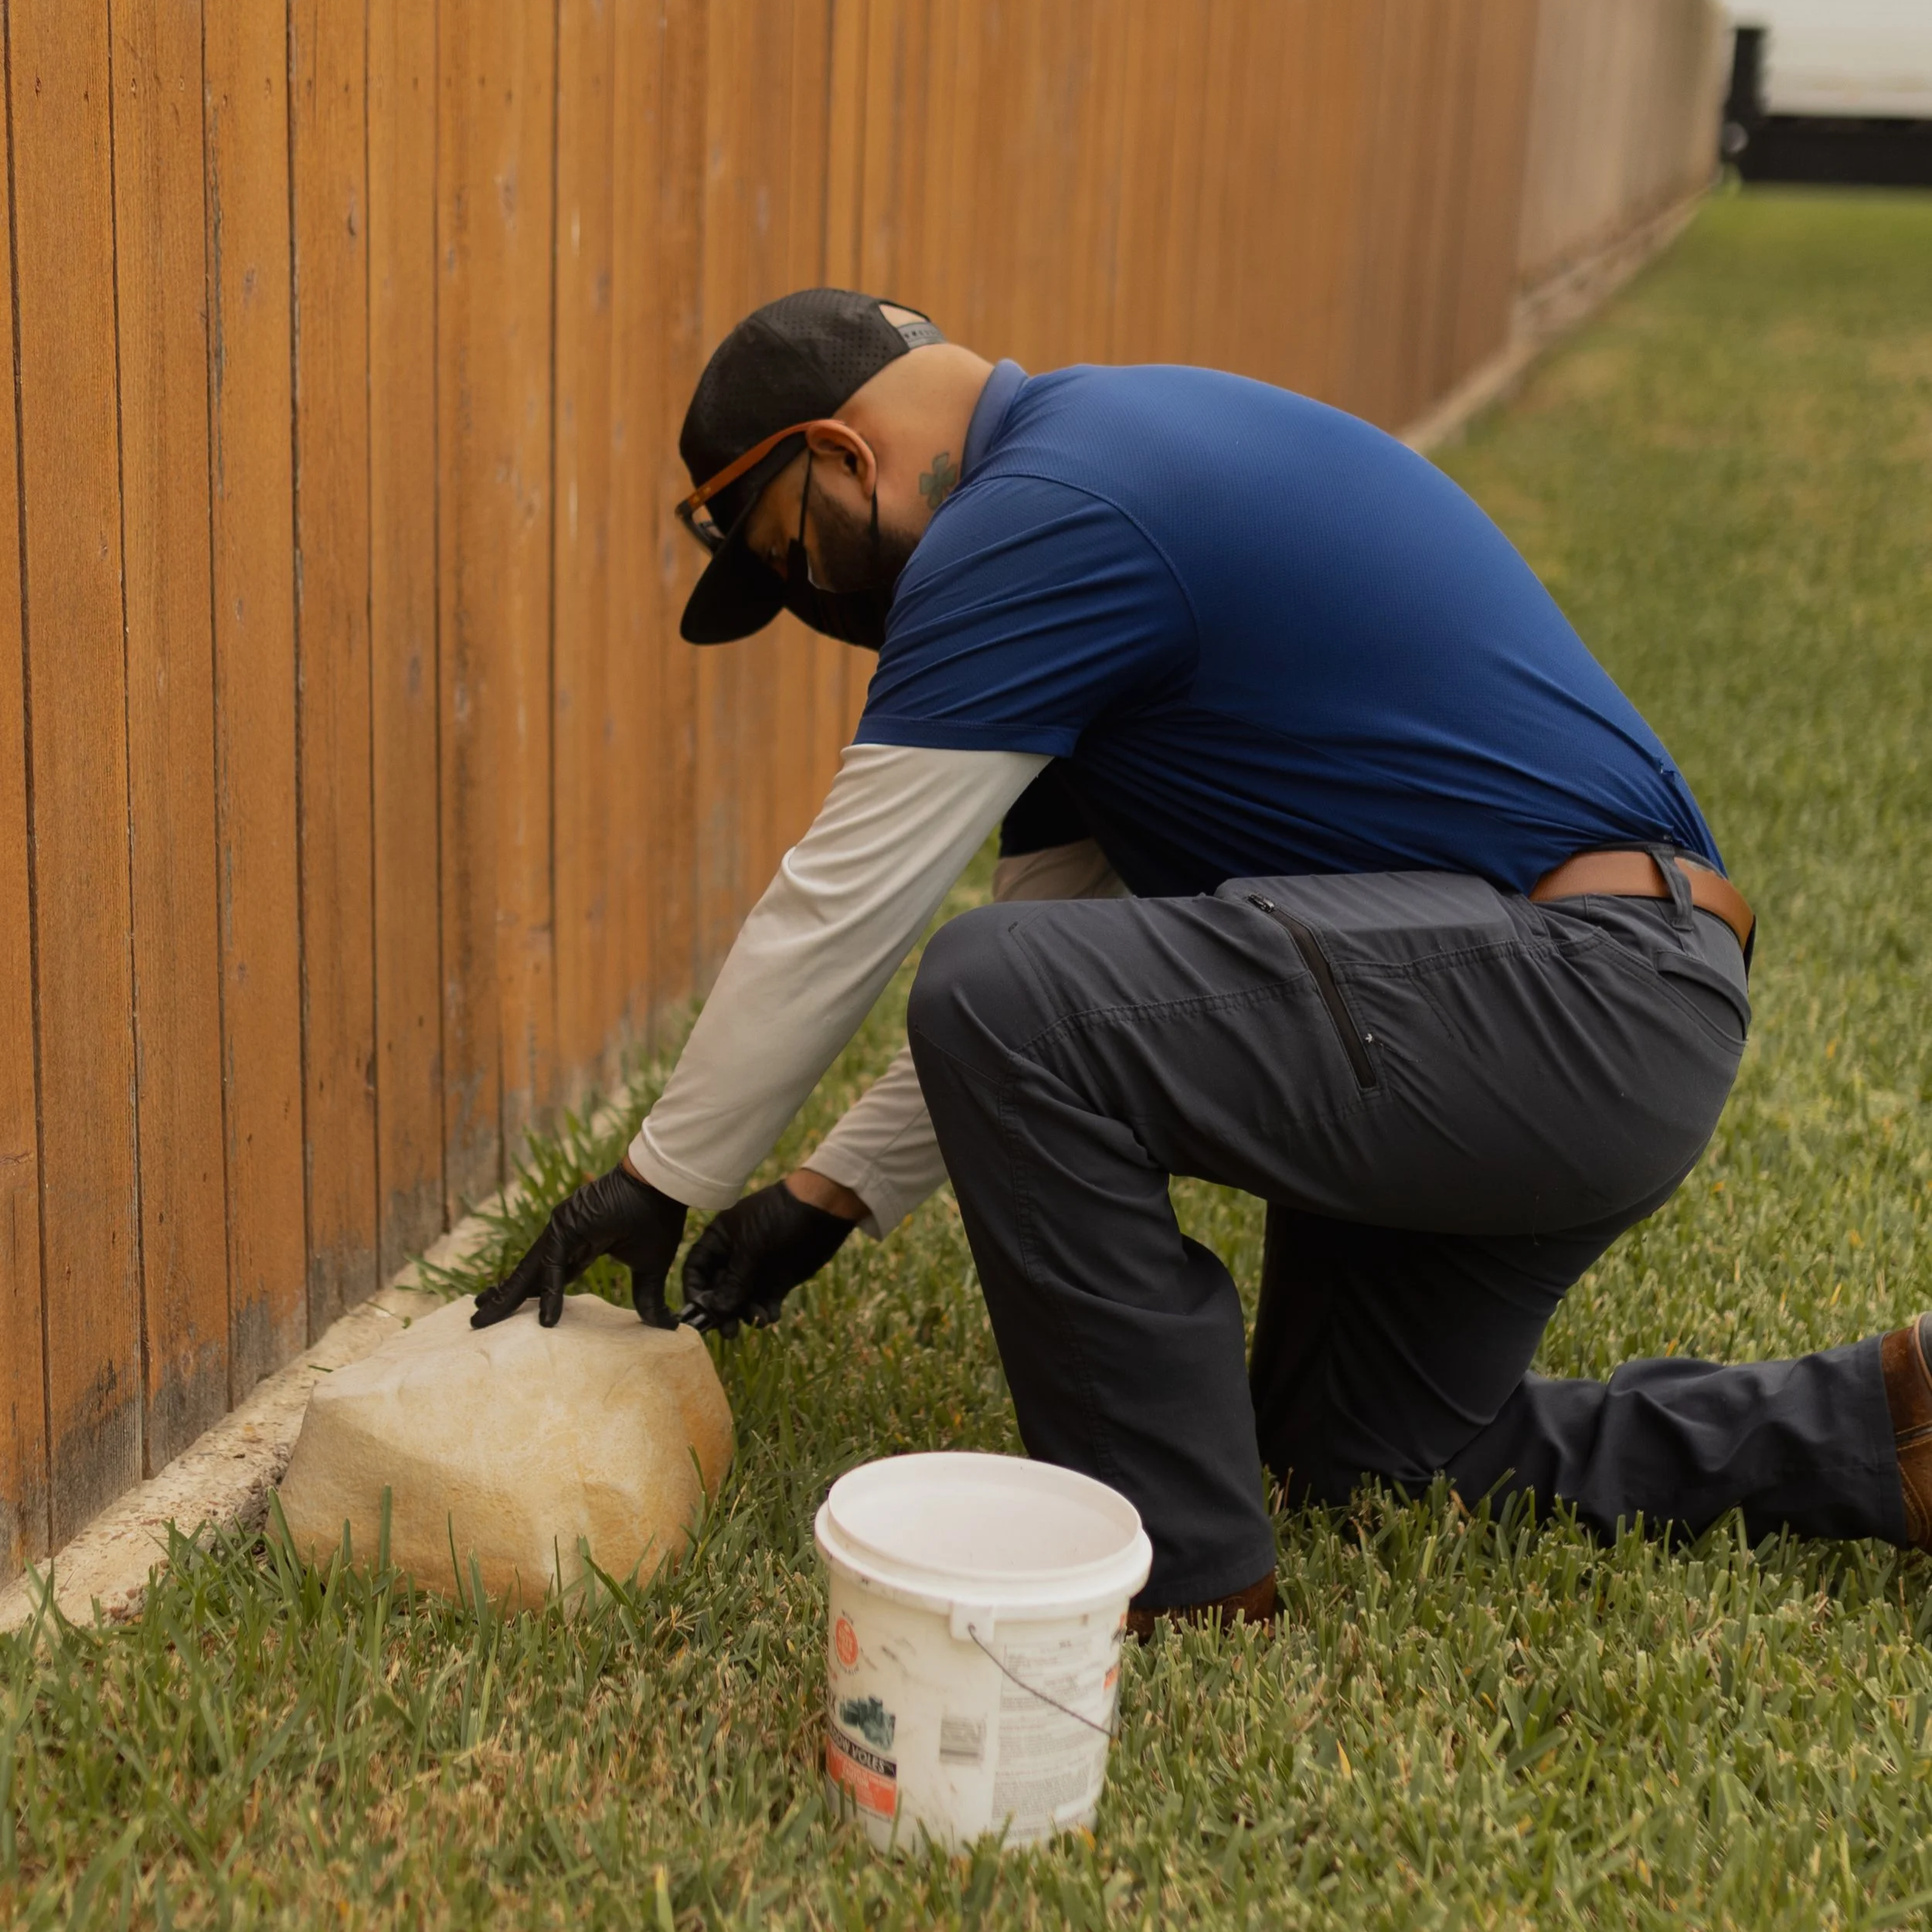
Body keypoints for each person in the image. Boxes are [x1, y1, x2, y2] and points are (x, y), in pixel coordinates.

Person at [474, 288, 1931, 1632]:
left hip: (1576, 994)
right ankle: (1888, 1427)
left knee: (989, 987)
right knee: (1357, 1455)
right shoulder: (1105, 481)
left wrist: (658, 1178)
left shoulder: (1036, 513)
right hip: (1561, 1008)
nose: (815, 604)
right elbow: (1055, 956)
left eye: (793, 554)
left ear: (844, 453)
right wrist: (827, 1199)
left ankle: (1185, 1579)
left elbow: (848, 910)